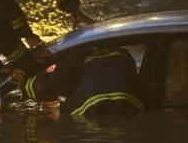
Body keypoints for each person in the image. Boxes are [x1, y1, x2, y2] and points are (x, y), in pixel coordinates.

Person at [16, 46, 144, 118]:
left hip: (91, 111)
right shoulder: (123, 54)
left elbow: (47, 90)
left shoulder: (74, 56)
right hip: (130, 106)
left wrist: (24, 82)